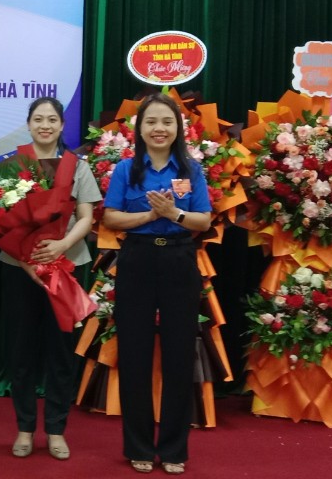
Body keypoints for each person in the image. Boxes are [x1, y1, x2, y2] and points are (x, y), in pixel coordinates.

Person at [101, 93, 211, 475]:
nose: (159, 128)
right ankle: (139, 446)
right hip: (137, 260)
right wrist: (150, 215)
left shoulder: (191, 169)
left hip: (179, 260)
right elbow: (111, 218)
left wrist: (174, 213)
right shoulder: (126, 170)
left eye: (166, 121)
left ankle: (175, 448)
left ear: (177, 127)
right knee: (134, 355)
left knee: (180, 355)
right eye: (151, 122)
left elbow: (203, 221)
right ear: (140, 128)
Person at [0, 97, 100, 460]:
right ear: (28, 124)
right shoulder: (11, 166)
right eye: (38, 119)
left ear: (61, 126)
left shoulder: (77, 167)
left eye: (52, 120)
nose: (45, 125)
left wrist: (62, 245)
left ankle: (56, 429)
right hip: (19, 269)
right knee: (22, 352)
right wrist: (26, 259)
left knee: (61, 352)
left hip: (66, 268)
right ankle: (25, 428)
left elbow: (87, 217)